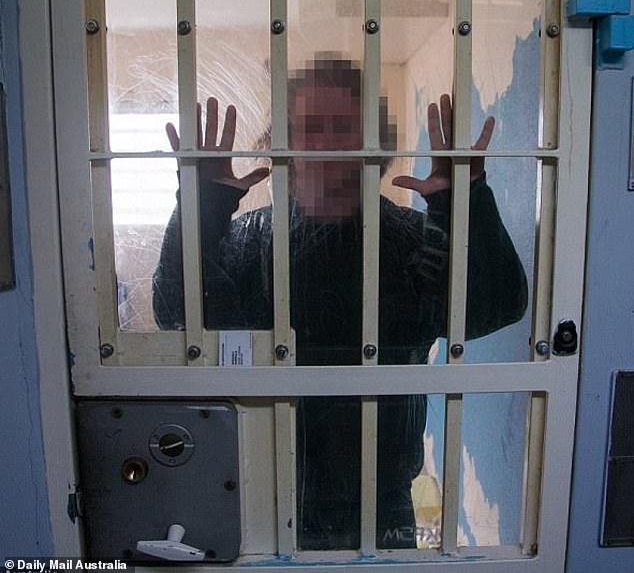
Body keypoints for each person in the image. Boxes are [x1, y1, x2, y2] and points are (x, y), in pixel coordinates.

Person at [152, 58, 528, 551]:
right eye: (309, 129)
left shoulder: (412, 240)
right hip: (261, 490)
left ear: (375, 148)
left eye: (344, 129)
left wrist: (467, 199)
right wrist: (202, 207)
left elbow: (496, 305)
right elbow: (176, 314)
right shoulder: (246, 240)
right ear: (280, 144)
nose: (327, 145)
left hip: (381, 506)